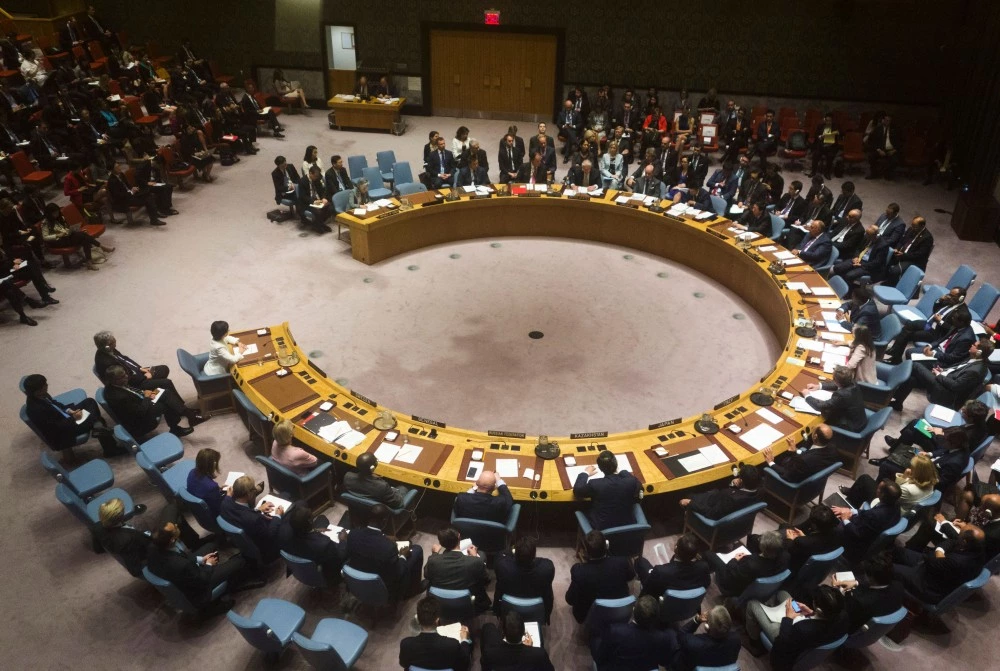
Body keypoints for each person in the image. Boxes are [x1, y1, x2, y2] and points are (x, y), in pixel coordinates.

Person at [145, 520, 251, 612]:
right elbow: (202, 580)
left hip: (184, 574)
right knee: (239, 561)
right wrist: (209, 564)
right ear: (172, 540)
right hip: (200, 590)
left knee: (210, 546)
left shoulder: (152, 548)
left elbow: (183, 559)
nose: (177, 526)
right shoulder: (181, 565)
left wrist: (202, 560)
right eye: (175, 528)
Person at [746, 585, 849, 671]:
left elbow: (781, 645)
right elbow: (824, 623)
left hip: (784, 637)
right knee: (783, 594)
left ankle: (755, 645)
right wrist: (812, 613)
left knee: (752, 604)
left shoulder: (802, 629)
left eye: (814, 601)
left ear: (819, 609)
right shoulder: (843, 616)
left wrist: (788, 618)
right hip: (812, 629)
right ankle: (769, 611)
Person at [22, 373, 120, 455]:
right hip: (64, 432)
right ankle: (110, 448)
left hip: (64, 416)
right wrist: (74, 418)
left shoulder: (41, 395)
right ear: (38, 390)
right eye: (45, 385)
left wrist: (70, 411)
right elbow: (56, 427)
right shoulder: (36, 410)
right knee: (96, 419)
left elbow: (56, 404)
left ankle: (97, 428)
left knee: (89, 402)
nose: (47, 385)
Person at [344, 503, 425, 599]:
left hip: (357, 579)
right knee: (417, 550)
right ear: (384, 521)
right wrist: (403, 556)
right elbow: (399, 571)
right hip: (384, 586)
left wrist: (383, 537)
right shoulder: (389, 547)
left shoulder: (353, 534)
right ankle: (413, 590)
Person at [891, 337, 993, 411]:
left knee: (915, 365)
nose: (971, 345)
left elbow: (955, 386)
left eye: (974, 345)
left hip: (947, 394)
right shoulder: (973, 358)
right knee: (913, 378)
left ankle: (888, 386)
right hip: (944, 382)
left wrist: (939, 375)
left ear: (979, 352)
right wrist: (942, 370)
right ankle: (897, 403)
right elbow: (955, 369)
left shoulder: (976, 370)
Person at [103, 364, 202, 438]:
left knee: (164, 392)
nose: (126, 378)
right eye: (122, 377)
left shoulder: (117, 384)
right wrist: (146, 397)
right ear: (114, 380)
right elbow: (140, 412)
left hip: (142, 400)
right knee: (165, 404)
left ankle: (190, 416)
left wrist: (146, 394)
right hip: (141, 419)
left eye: (125, 375)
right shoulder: (118, 396)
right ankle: (177, 427)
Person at [893, 527, 986, 603]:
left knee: (888, 567)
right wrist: (940, 551)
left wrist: (938, 552)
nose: (958, 537)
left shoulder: (958, 561)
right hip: (934, 570)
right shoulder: (977, 549)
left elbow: (931, 558)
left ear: (964, 542)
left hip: (927, 586)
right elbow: (951, 541)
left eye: (960, 535)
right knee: (898, 551)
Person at [883, 286, 969, 364]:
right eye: (949, 294)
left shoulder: (962, 312)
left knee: (909, 335)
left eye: (952, 296)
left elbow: (953, 330)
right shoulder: (950, 301)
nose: (949, 297)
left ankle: (895, 357)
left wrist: (940, 322)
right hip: (930, 323)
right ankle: (895, 352)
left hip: (936, 333)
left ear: (961, 298)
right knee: (909, 324)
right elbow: (936, 309)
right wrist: (940, 300)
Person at [565, 530, 635, 623]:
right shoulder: (622, 562)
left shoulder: (579, 572)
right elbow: (631, 577)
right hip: (620, 611)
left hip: (590, 616)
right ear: (606, 546)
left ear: (585, 553)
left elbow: (570, 599)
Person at [591, 595, 677, 671]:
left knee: (595, 640)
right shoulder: (664, 638)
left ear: (633, 610)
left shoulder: (615, 631)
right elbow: (664, 662)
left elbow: (601, 657)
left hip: (615, 667)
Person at [93, 331, 185, 400]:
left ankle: (158, 393)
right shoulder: (107, 363)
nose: (116, 341)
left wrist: (140, 368)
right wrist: (144, 378)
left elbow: (125, 359)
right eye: (113, 341)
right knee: (166, 383)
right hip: (134, 383)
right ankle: (178, 406)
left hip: (136, 373)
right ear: (107, 346)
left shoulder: (108, 350)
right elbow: (124, 379)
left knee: (163, 369)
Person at [832, 479, 902, 564]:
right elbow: (868, 513)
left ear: (882, 494)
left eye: (878, 488)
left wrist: (845, 519)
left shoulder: (875, 515)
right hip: (868, 530)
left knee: (830, 518)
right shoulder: (895, 504)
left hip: (856, 544)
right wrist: (850, 510)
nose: (876, 489)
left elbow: (858, 533)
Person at [847, 453, 938, 518]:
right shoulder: (930, 482)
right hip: (902, 504)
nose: (909, 468)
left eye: (912, 468)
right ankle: (854, 490)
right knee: (877, 478)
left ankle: (848, 508)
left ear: (917, 472)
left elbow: (893, 493)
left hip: (890, 508)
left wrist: (904, 476)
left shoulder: (908, 489)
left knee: (864, 480)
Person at [220, 474, 284, 564]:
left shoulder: (225, 503)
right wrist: (277, 516)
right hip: (264, 548)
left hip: (243, 537)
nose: (255, 490)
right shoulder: (254, 519)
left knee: (285, 495)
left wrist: (257, 510)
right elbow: (270, 535)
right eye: (254, 489)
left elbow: (241, 513)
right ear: (249, 494)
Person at [834, 551, 904, 633]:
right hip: (876, 619)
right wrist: (856, 583)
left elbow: (844, 613)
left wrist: (839, 591)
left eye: (865, 575)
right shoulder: (899, 586)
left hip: (851, 626)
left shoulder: (861, 601)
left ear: (871, 579)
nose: (864, 577)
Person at [706, 529, 789, 596]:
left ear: (762, 546)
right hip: (753, 578)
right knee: (739, 545)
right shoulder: (785, 557)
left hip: (732, 586)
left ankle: (706, 581)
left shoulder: (750, 564)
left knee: (709, 554)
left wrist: (734, 559)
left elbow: (731, 574)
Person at [425, 527, 491, 610]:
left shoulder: (433, 560)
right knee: (482, 554)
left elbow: (427, 575)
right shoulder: (476, 561)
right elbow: (487, 579)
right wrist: (475, 557)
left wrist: (434, 553)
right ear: (459, 537)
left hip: (441, 602)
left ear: (441, 544)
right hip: (467, 600)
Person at [572, 450, 641, 529]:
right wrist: (623, 472)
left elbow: (577, 491)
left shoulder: (595, 484)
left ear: (600, 468)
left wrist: (585, 473)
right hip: (628, 524)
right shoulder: (631, 481)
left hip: (601, 527)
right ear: (616, 464)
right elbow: (639, 486)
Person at [399, 596, 472, 671]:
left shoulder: (406, 643)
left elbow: (403, 664)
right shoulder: (452, 644)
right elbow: (464, 664)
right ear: (437, 620)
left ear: (418, 620)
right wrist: (464, 640)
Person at [493, 535, 555, 622]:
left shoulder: (502, 567)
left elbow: (501, 555)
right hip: (537, 603)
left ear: (515, 554)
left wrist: (511, 551)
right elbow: (543, 561)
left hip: (509, 604)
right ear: (534, 555)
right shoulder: (547, 568)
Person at [636, 533, 711, 599]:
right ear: (696, 554)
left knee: (640, 561)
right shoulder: (704, 567)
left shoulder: (660, 571)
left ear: (675, 549)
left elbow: (648, 591)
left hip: (662, 608)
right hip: (690, 609)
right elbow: (706, 585)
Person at [277, 503, 344, 577]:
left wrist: (315, 530)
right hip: (326, 572)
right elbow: (340, 556)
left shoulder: (286, 535)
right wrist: (343, 540)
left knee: (322, 518)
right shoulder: (325, 544)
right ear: (310, 521)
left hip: (303, 568)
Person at [759, 424, 840, 484]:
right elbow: (813, 455)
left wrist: (771, 462)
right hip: (811, 478)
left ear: (815, 436)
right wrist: (796, 450)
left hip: (791, 483)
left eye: (813, 428)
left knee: (766, 462)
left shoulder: (803, 461)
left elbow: (787, 475)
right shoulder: (833, 449)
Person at [679, 463, 761, 520]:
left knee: (686, 493)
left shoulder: (731, 499)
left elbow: (712, 513)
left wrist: (690, 503)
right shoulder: (758, 491)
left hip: (710, 505)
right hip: (720, 498)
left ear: (742, 481)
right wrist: (733, 483)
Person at [480, 610, 554, 671]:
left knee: (488, 626)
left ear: (503, 632)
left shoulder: (489, 653)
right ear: (524, 632)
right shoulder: (539, 654)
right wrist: (530, 649)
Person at [674, 606, 742, 671]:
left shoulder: (694, 643)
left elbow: (681, 634)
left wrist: (697, 620)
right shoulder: (736, 640)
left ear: (707, 627)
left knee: (670, 637)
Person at [97, 497, 151, 577]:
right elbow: (135, 570)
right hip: (146, 554)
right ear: (120, 517)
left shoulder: (97, 527)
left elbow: (98, 548)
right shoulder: (129, 540)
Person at [803, 365, 867, 432]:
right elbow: (837, 384)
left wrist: (807, 396)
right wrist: (819, 386)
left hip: (851, 426)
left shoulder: (841, 395)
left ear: (837, 381)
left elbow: (819, 406)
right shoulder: (852, 382)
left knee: (825, 413)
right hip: (860, 420)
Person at [186, 447, 246, 517]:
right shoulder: (211, 487)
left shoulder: (192, 472)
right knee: (240, 492)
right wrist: (229, 496)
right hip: (213, 512)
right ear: (214, 464)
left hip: (199, 500)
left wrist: (219, 489)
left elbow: (202, 489)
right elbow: (219, 506)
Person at [830, 224, 892, 289]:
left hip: (869, 265)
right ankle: (836, 285)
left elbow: (877, 262)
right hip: (859, 259)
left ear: (875, 236)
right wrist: (856, 257)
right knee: (838, 267)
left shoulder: (883, 245)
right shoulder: (867, 237)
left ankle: (847, 293)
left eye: (868, 236)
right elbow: (858, 249)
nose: (866, 237)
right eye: (866, 234)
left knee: (849, 275)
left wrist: (860, 265)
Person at [343, 452, 410, 508]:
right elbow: (398, 504)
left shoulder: (347, 477)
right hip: (386, 508)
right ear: (372, 468)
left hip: (361, 507)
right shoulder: (382, 486)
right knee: (405, 487)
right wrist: (393, 490)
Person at [107, 161, 164, 226]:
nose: (119, 168)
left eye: (119, 166)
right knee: (148, 198)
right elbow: (118, 196)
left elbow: (127, 185)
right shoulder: (111, 181)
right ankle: (154, 219)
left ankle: (155, 215)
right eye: (117, 167)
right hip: (124, 200)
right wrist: (131, 192)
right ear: (112, 170)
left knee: (147, 192)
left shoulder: (121, 174)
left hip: (130, 195)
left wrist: (132, 188)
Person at [887, 216, 934, 283]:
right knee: (884, 257)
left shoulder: (928, 238)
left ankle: (892, 285)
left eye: (915, 226)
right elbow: (901, 241)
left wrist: (904, 255)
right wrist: (897, 248)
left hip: (914, 260)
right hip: (902, 254)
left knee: (895, 271)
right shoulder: (911, 229)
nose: (912, 227)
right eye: (912, 225)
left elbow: (919, 254)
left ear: (922, 226)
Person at [298, 165, 332, 233]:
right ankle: (318, 225)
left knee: (330, 208)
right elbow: (303, 196)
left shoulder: (317, 178)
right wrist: (313, 201)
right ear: (310, 173)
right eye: (315, 176)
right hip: (307, 203)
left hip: (318, 200)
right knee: (318, 212)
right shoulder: (302, 181)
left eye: (317, 176)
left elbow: (322, 190)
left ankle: (319, 223)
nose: (316, 178)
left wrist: (323, 198)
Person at [867, 114, 901, 180]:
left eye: (889, 121)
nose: (887, 122)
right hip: (880, 149)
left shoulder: (895, 129)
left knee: (895, 160)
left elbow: (899, 142)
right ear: (883, 120)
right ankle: (874, 174)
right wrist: (879, 150)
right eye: (886, 120)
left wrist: (894, 150)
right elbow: (872, 141)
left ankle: (888, 174)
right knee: (871, 157)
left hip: (891, 150)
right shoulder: (877, 128)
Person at [809, 112, 840, 178]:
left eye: (830, 120)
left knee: (830, 156)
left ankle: (827, 173)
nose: (828, 122)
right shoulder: (820, 126)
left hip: (830, 147)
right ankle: (813, 172)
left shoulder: (835, 127)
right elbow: (816, 135)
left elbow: (837, 139)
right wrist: (821, 136)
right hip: (821, 145)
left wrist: (835, 135)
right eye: (827, 120)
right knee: (816, 154)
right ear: (824, 120)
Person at [555, 98, 582, 163]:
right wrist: (564, 126)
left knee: (570, 137)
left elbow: (580, 123)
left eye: (569, 107)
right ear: (565, 106)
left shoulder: (576, 113)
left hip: (574, 131)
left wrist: (573, 126)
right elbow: (558, 124)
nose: (568, 109)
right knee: (567, 129)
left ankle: (566, 156)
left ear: (572, 106)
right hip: (564, 131)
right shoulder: (561, 113)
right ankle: (577, 143)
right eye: (567, 107)